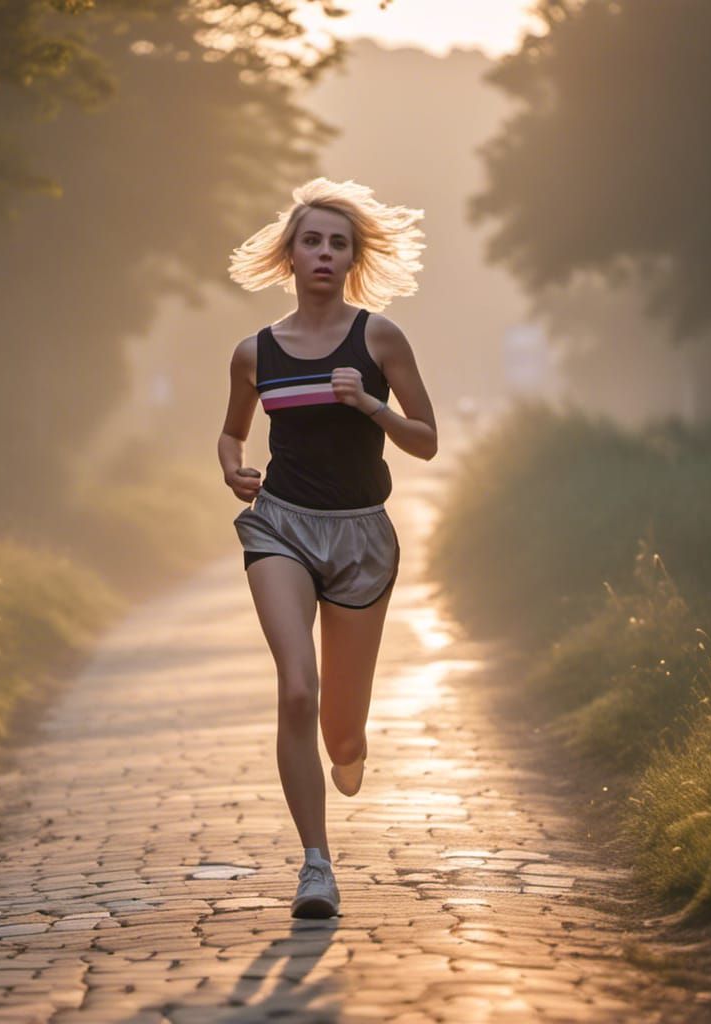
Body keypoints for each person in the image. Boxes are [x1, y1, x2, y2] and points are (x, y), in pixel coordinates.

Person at [216, 178, 438, 918]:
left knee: (340, 728)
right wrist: (231, 467)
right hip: (280, 524)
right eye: (311, 240)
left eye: (337, 243)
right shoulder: (254, 352)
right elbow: (232, 430)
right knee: (297, 689)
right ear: (290, 252)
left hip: (361, 535)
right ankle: (316, 865)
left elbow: (427, 442)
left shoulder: (378, 338)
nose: (324, 253)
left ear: (351, 260)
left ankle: (351, 745)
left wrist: (368, 401)